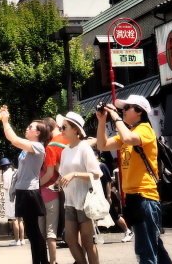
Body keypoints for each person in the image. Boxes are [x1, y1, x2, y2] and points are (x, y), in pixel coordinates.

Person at [96, 95, 172, 264]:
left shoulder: (145, 129)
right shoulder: (128, 132)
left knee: (146, 250)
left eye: (127, 107)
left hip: (145, 196)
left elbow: (128, 139)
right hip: (135, 197)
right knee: (153, 246)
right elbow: (102, 145)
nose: (122, 110)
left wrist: (115, 117)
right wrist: (102, 121)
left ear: (139, 112)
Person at [0, 105, 51, 264]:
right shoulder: (28, 146)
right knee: (32, 232)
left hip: (30, 192)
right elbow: (12, 139)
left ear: (38, 133)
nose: (27, 128)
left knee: (33, 232)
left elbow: (14, 140)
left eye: (30, 127)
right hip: (23, 191)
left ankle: (41, 261)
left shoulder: (38, 146)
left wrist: (5, 121)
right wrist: (4, 121)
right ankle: (42, 261)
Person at [57, 112, 101, 264]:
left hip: (85, 200)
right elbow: (64, 174)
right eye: (60, 127)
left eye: (64, 127)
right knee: (70, 239)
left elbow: (96, 174)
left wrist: (74, 174)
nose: (61, 130)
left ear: (75, 129)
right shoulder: (65, 151)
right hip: (70, 200)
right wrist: (58, 181)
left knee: (88, 242)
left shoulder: (84, 148)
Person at [39, 117, 67, 263]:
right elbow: (56, 171)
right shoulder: (67, 140)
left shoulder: (48, 147)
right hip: (58, 192)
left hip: (43, 193)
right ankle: (54, 261)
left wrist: (36, 186)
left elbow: (50, 172)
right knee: (53, 231)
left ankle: (44, 260)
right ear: (56, 125)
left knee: (42, 232)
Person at [0, 158, 24, 245]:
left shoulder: (5, 174)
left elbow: (6, 187)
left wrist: (2, 180)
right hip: (20, 196)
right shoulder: (17, 171)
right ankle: (22, 240)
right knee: (20, 219)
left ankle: (17, 240)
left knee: (14, 220)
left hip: (11, 198)